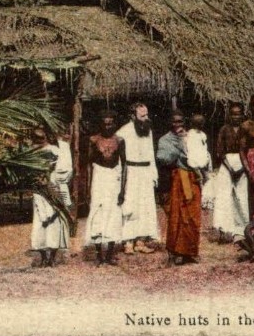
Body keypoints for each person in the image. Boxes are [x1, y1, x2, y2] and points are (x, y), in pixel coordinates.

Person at [156, 111, 202, 265]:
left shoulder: (191, 136)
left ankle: (190, 251)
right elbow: (163, 158)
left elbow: (200, 155)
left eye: (180, 122)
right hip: (178, 179)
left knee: (192, 215)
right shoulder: (165, 140)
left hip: (192, 178)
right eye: (174, 122)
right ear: (170, 123)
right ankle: (174, 252)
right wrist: (180, 148)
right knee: (177, 215)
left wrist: (186, 142)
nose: (178, 125)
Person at [117, 103, 160, 254]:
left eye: (147, 115)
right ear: (133, 116)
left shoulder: (148, 131)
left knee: (145, 207)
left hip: (146, 172)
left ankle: (141, 241)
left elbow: (151, 155)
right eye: (142, 116)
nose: (146, 118)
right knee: (130, 206)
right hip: (131, 172)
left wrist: (154, 175)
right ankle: (128, 242)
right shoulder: (123, 132)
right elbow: (119, 160)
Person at [85, 111, 126, 266]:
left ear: (115, 124)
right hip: (98, 178)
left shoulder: (120, 140)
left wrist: (122, 189)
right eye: (105, 123)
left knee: (112, 213)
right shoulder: (93, 140)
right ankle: (98, 255)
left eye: (111, 123)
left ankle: (109, 255)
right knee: (97, 213)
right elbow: (89, 165)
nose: (108, 126)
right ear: (100, 124)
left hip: (113, 179)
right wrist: (88, 188)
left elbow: (125, 165)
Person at [30, 128, 69, 268]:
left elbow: (63, 169)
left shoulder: (55, 150)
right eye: (36, 139)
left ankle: (51, 257)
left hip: (52, 187)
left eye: (42, 139)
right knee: (40, 222)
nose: (40, 142)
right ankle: (43, 256)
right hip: (38, 189)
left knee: (53, 221)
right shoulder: (31, 152)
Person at [213, 102, 250, 243]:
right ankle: (224, 231)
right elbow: (220, 152)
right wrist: (230, 168)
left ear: (242, 114)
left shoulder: (246, 129)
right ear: (229, 115)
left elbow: (248, 150)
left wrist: (242, 168)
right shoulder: (224, 129)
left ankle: (243, 229)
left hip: (243, 164)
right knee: (224, 197)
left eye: (238, 114)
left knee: (242, 197)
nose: (236, 117)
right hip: (227, 165)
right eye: (233, 114)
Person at [185, 113, 214, 209]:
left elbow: (203, 148)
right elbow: (190, 150)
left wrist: (206, 160)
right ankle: (198, 201)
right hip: (194, 162)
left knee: (207, 180)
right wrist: (195, 165)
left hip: (203, 161)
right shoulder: (189, 135)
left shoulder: (203, 134)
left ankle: (205, 201)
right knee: (199, 181)